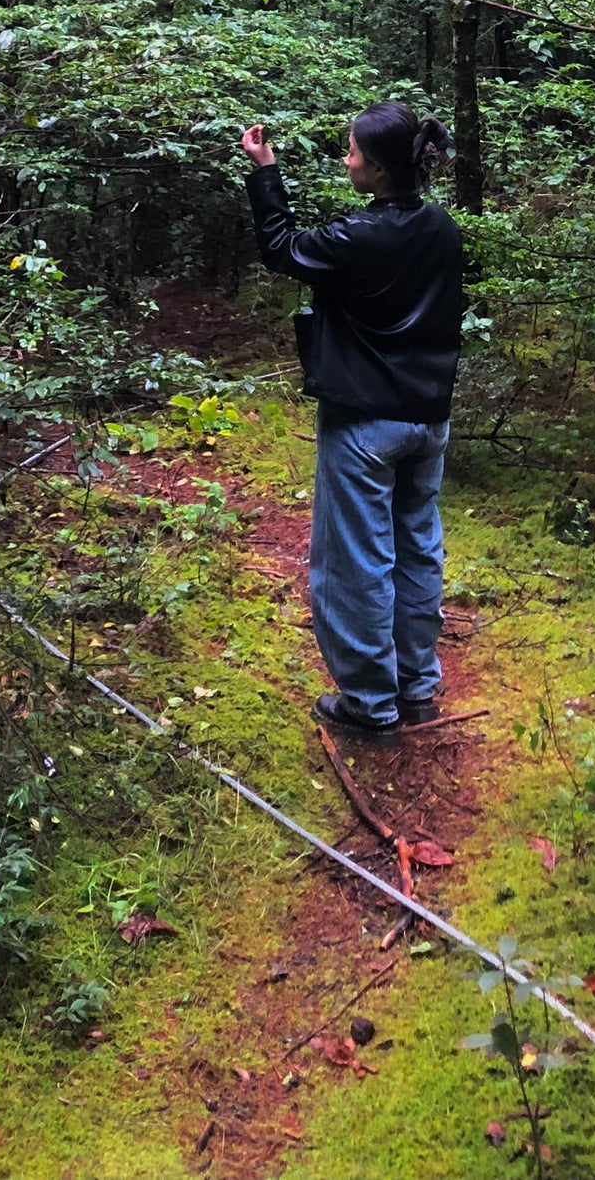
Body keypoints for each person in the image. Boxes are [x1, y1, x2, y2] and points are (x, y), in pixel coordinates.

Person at [241, 103, 465, 739]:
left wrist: (264, 170)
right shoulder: (442, 228)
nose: (347, 161)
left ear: (380, 167)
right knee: (417, 548)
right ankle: (416, 686)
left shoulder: (358, 237)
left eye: (352, 151)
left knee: (356, 562)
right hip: (428, 420)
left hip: (365, 424)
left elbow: (282, 249)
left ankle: (369, 703)